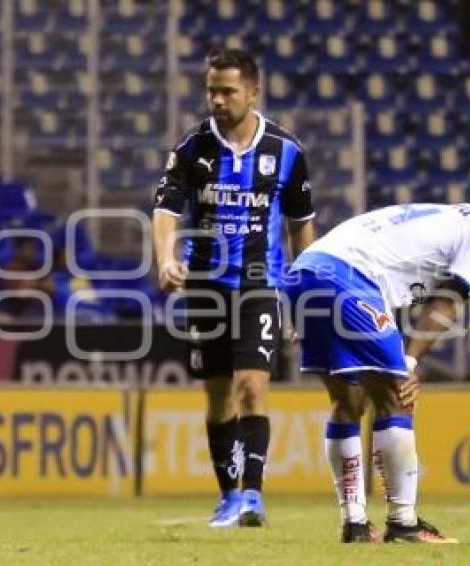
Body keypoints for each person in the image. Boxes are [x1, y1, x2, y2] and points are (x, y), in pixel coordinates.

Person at [283, 202, 470, 543]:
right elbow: (446, 301)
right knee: (397, 398)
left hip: (307, 271)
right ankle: (403, 523)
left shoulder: (450, 223)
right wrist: (410, 362)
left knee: (350, 401)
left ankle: (355, 524)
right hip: (348, 275)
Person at [152, 47, 315, 528]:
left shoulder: (286, 152)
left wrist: (303, 298)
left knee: (251, 387)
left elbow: (301, 228)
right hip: (204, 287)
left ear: (252, 92)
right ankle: (227, 496)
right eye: (211, 90)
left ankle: (253, 497)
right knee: (218, 397)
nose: (217, 100)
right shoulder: (190, 149)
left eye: (227, 91)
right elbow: (164, 211)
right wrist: (166, 258)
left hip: (259, 285)